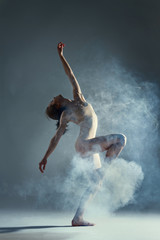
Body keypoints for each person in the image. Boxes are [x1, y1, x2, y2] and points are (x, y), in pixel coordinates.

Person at [39, 42, 127, 226]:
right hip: (86, 144)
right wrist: (45, 157)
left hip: (87, 146)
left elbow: (70, 74)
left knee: (97, 183)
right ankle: (106, 169)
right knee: (120, 139)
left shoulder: (78, 97)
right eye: (51, 101)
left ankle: (77, 218)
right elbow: (56, 137)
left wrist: (61, 55)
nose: (53, 97)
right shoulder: (66, 113)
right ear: (56, 105)